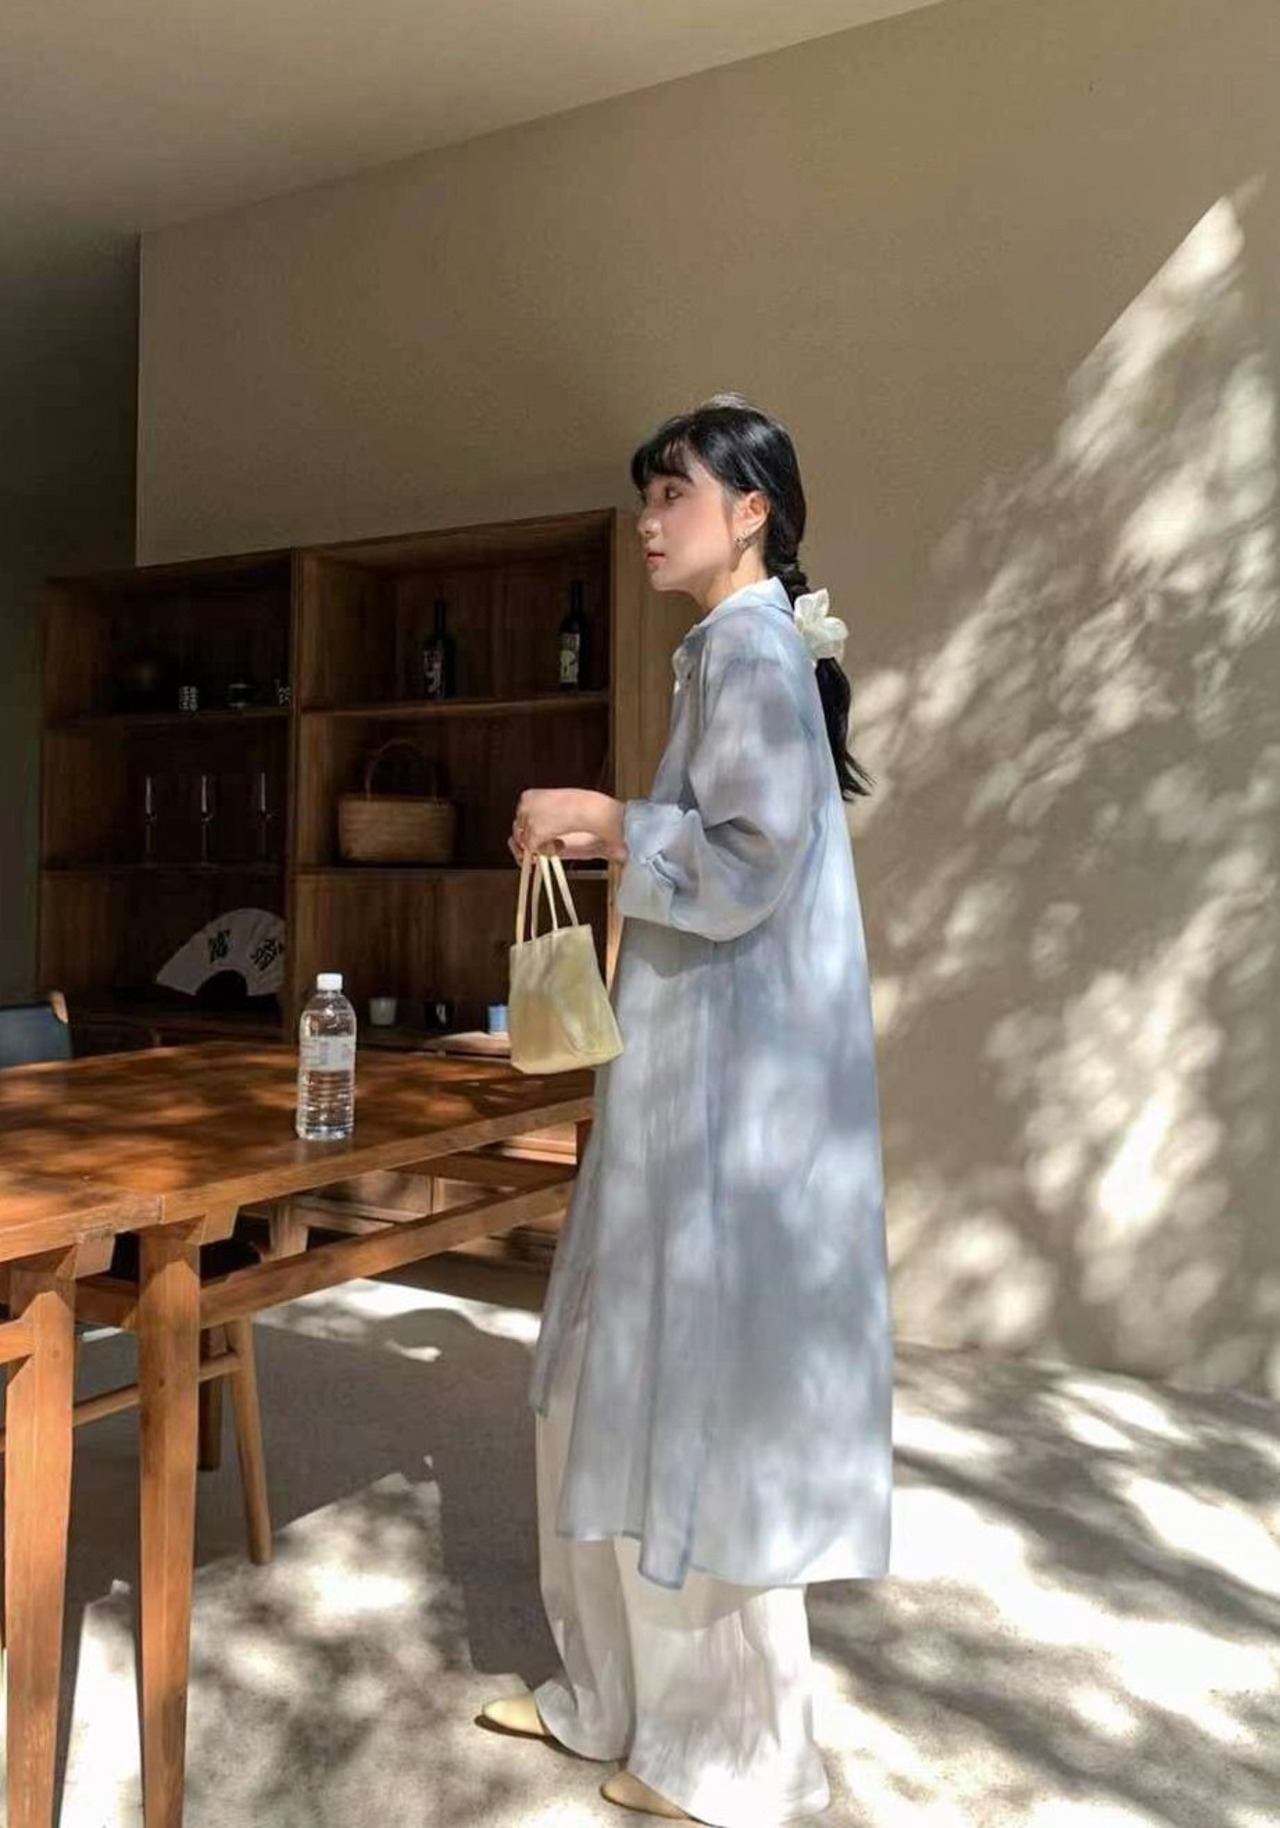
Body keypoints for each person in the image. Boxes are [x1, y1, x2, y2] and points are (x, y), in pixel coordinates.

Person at [481, 395, 892, 1825]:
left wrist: (604, 819)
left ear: (750, 510)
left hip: (728, 1089)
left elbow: (751, 856)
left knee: (686, 1382)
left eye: (675, 493)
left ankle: (726, 1757)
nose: (650, 520)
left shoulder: (753, 649)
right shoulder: (733, 647)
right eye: (647, 495)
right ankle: (627, 1702)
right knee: (636, 1368)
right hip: (705, 1068)